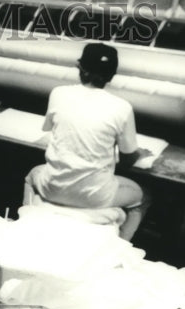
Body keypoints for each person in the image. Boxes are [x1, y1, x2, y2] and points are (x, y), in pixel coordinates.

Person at [26, 42, 150, 241]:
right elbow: (127, 159)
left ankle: (25, 224)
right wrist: (137, 153)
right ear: (111, 76)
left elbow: (51, 129)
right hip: (95, 197)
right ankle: (121, 246)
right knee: (144, 196)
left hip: (52, 188)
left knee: (31, 175)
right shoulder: (122, 107)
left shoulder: (58, 93)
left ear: (79, 68)